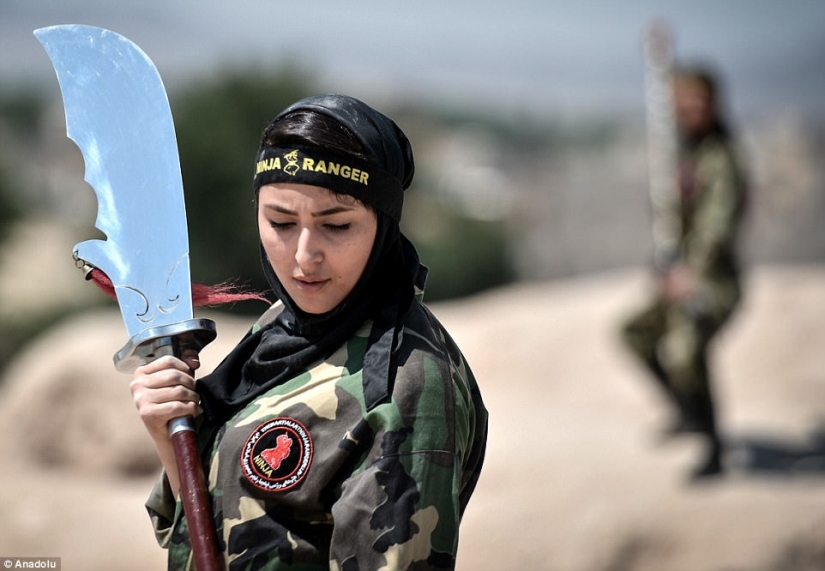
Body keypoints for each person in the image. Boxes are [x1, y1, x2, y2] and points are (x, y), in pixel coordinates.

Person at [130, 93, 488, 569]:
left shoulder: (405, 383)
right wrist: (168, 430)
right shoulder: (284, 326)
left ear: (383, 226)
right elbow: (213, 529)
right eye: (280, 221)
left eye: (336, 226)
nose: (304, 256)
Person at [621, 65, 748, 479]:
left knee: (687, 349)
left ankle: (713, 447)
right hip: (678, 275)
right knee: (634, 332)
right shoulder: (680, 155)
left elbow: (718, 224)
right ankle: (686, 409)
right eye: (683, 99)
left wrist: (691, 272)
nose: (689, 107)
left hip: (713, 281)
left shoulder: (722, 159)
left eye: (698, 99)